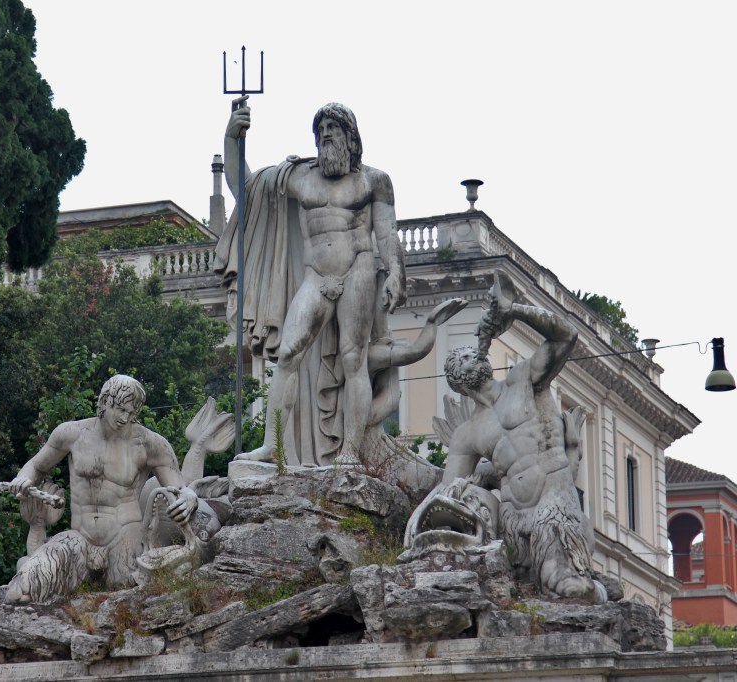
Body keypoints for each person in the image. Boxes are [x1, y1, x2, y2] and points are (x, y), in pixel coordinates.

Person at [216, 98, 406, 465]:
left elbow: (387, 232)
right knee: (288, 353)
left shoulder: (374, 180)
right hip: (316, 275)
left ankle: (350, 451)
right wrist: (232, 138)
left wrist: (396, 272)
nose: (324, 138)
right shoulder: (299, 177)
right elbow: (247, 190)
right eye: (320, 132)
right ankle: (274, 446)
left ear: (350, 137)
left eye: (332, 131)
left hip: (359, 270)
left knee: (354, 360)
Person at [440, 273, 605, 602]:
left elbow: (566, 337)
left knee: (564, 583)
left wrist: (513, 310)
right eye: (463, 358)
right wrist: (473, 484)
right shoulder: (467, 433)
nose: (474, 355)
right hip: (512, 521)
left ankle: (581, 582)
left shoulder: (522, 380)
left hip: (553, 503)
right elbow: (447, 494)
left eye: (472, 353)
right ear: (458, 381)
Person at [0, 375, 197, 602]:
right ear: (104, 402)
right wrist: (23, 479)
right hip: (79, 538)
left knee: (126, 594)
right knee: (24, 587)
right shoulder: (71, 434)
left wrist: (190, 498)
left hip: (125, 538)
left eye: (132, 413)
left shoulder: (150, 444)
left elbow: (180, 488)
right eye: (120, 409)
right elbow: (36, 465)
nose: (125, 418)